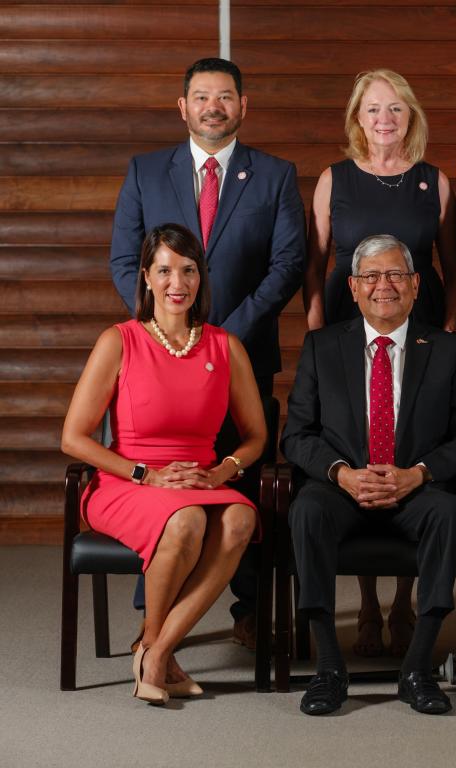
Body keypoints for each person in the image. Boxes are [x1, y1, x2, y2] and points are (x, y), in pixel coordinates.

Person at [110, 57, 306, 649]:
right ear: (183, 106)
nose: (213, 106)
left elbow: (287, 265)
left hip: (244, 354)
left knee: (240, 479)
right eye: (201, 96)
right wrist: (169, 329)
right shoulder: (146, 172)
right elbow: (125, 262)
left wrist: (223, 338)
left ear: (243, 107)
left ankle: (249, 607)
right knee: (165, 476)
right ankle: (158, 612)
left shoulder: (273, 174)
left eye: (225, 97)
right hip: (158, 363)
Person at [61, 224, 267, 705]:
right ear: (147, 278)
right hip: (125, 482)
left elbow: (256, 437)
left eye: (189, 270)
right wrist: (144, 474)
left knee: (241, 517)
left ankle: (155, 648)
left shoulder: (225, 346)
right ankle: (158, 655)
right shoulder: (119, 341)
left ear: (201, 278)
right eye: (165, 270)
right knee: (187, 520)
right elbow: (72, 438)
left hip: (201, 478)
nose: (178, 282)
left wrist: (223, 471)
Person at [282, 234, 456, 716]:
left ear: (415, 284)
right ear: (352, 287)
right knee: (307, 510)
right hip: (344, 487)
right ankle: (330, 667)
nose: (384, 286)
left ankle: (417, 668)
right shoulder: (322, 347)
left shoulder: (449, 350)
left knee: (449, 514)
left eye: (395, 274)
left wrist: (418, 474)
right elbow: (297, 435)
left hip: (415, 487)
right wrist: (342, 474)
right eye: (371, 276)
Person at [302, 69, 456, 658]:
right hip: (349, 337)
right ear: (357, 117)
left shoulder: (434, 182)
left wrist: (446, 341)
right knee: (358, 449)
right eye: (373, 109)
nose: (384, 119)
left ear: (410, 116)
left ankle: (404, 601)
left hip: (417, 336)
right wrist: (322, 339)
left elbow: (451, 270)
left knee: (409, 452)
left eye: (395, 108)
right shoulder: (333, 180)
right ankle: (367, 603)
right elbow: (316, 266)